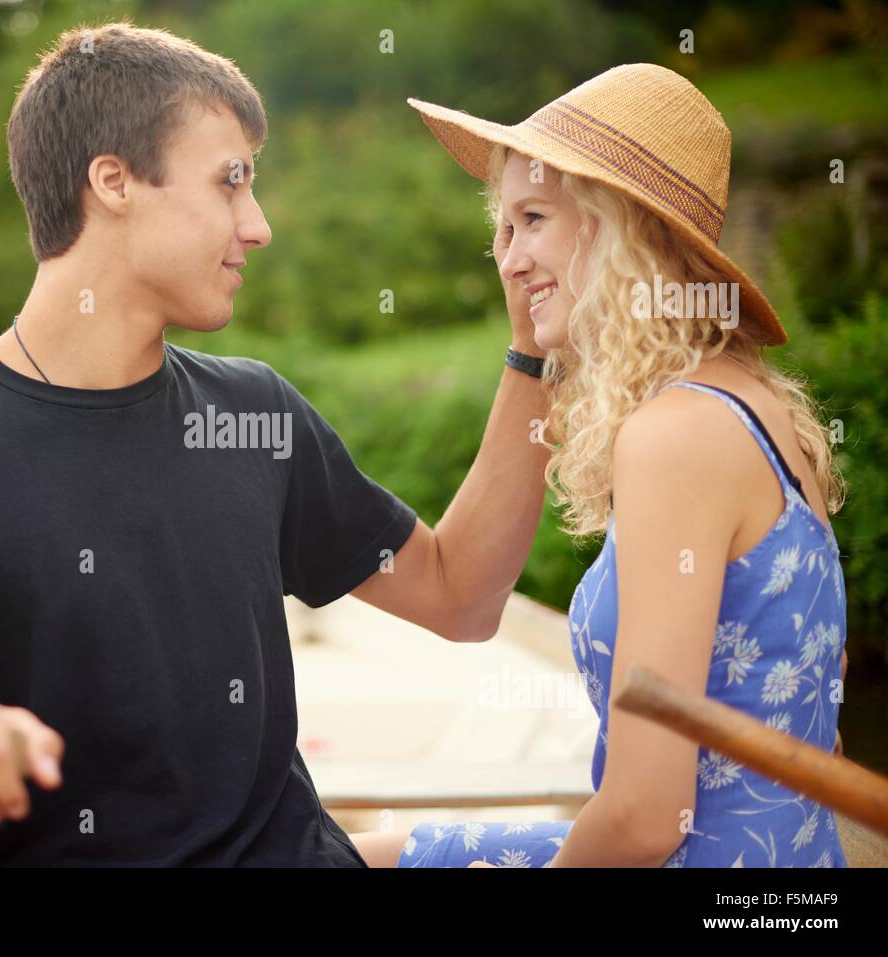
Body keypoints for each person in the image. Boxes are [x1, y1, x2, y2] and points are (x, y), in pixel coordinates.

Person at [0, 22, 554, 866]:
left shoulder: (255, 413)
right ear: (114, 181)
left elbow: (460, 597)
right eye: (231, 183)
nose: (258, 226)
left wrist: (534, 349)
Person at [352, 63, 848, 868]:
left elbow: (649, 819)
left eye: (533, 219)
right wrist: (536, 338)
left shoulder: (674, 437)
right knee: (364, 851)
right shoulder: (755, 408)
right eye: (503, 229)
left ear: (623, 228)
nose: (507, 259)